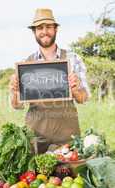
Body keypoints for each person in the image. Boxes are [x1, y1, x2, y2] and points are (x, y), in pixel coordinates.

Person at [9, 8, 90, 153]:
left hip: (66, 138)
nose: (44, 31)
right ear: (34, 32)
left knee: (69, 175)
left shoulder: (73, 59)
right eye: (40, 27)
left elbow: (84, 99)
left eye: (48, 27)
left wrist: (76, 90)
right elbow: (17, 106)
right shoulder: (26, 64)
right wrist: (13, 92)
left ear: (56, 29)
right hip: (36, 139)